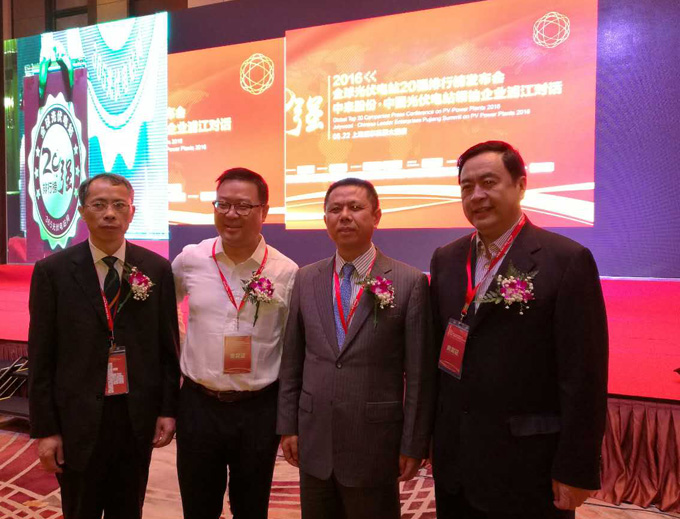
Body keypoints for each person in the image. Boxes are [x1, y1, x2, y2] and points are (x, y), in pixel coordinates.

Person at [430, 141, 609, 519]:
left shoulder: (566, 260)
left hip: (527, 467)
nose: (476, 196)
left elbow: (584, 376)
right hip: (456, 464)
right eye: (466, 187)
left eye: (489, 182)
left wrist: (576, 468)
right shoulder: (446, 259)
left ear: (521, 185)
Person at [277, 178, 435, 519]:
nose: (344, 216)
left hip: (375, 442)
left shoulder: (408, 281)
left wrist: (413, 442)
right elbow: (292, 360)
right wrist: (288, 424)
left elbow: (419, 374)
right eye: (335, 209)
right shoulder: (306, 278)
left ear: (376, 216)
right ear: (325, 220)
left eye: (355, 207)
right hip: (315, 438)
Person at [28, 173, 180, 519]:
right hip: (76, 419)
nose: (109, 213)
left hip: (135, 416)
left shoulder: (156, 269)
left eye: (119, 205)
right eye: (99, 205)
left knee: (128, 509)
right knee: (80, 509)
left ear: (132, 211)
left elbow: (167, 347)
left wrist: (167, 410)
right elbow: (41, 356)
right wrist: (46, 430)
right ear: (82, 211)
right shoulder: (53, 271)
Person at [172, 167, 298, 519]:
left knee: (251, 507)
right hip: (199, 405)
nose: (230, 214)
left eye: (243, 206)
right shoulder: (190, 260)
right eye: (222, 204)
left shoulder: (286, 272)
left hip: (258, 409)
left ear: (264, 211)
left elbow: (293, 348)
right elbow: (164, 311)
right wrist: (185, 345)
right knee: (198, 507)